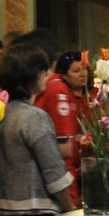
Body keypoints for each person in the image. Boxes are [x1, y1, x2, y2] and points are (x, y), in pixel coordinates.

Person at [0, 44, 77, 216]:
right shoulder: (34, 116)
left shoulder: (0, 113)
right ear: (32, 75)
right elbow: (52, 170)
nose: (47, 75)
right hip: (36, 212)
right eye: (43, 71)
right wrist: (70, 208)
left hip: (4, 211)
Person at [36, 49, 89, 206]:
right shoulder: (59, 92)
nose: (83, 74)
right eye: (76, 70)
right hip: (61, 173)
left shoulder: (60, 89)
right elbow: (65, 149)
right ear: (63, 72)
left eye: (85, 69)